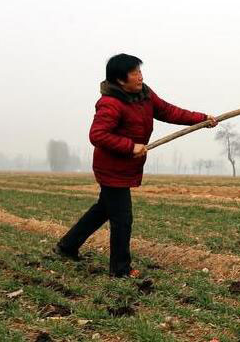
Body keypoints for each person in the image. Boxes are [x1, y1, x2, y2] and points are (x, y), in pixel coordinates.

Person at [53, 53, 217, 278]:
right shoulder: (110, 103)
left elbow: (168, 111)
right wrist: (130, 147)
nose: (140, 76)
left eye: (140, 71)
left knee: (103, 209)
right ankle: (120, 270)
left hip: (126, 167)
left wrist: (200, 118)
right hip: (111, 168)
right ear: (120, 80)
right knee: (122, 218)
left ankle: (67, 246)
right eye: (134, 73)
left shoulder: (145, 95)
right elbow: (98, 135)